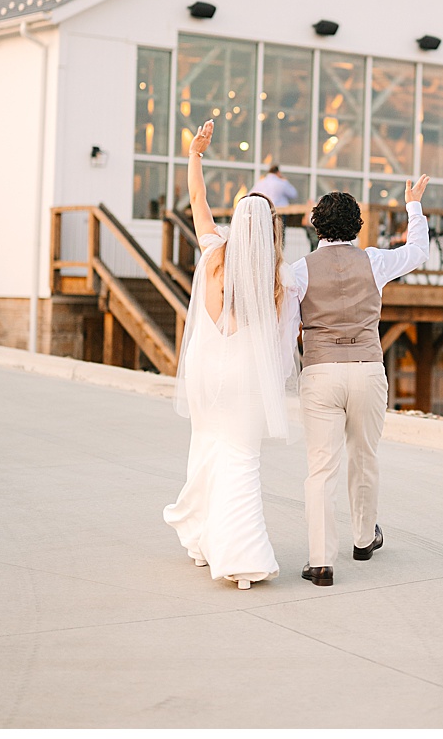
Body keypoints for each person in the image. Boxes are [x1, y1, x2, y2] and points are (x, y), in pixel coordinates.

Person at [164, 118, 300, 591]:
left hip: (206, 373)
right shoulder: (277, 280)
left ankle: (200, 539)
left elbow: (198, 202)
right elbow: (282, 344)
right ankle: (241, 556)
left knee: (206, 448)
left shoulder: (214, 254)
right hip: (246, 378)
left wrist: (195, 155)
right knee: (241, 458)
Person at [284, 175, 430, 587]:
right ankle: (364, 540)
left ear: (316, 227)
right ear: (357, 227)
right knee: (365, 455)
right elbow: (418, 251)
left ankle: (320, 562)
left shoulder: (299, 271)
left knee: (321, 468)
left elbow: (288, 326)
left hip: (320, 371)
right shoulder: (374, 261)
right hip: (368, 368)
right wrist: (413, 205)